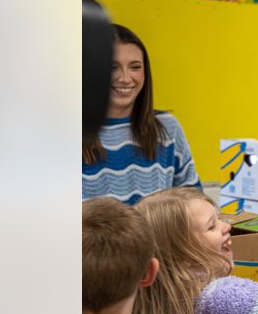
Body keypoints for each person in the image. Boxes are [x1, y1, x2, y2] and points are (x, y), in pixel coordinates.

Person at [82, 24, 201, 204]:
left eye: (135, 67)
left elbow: (194, 201)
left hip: (161, 234)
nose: (124, 78)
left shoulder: (167, 127)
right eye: (112, 67)